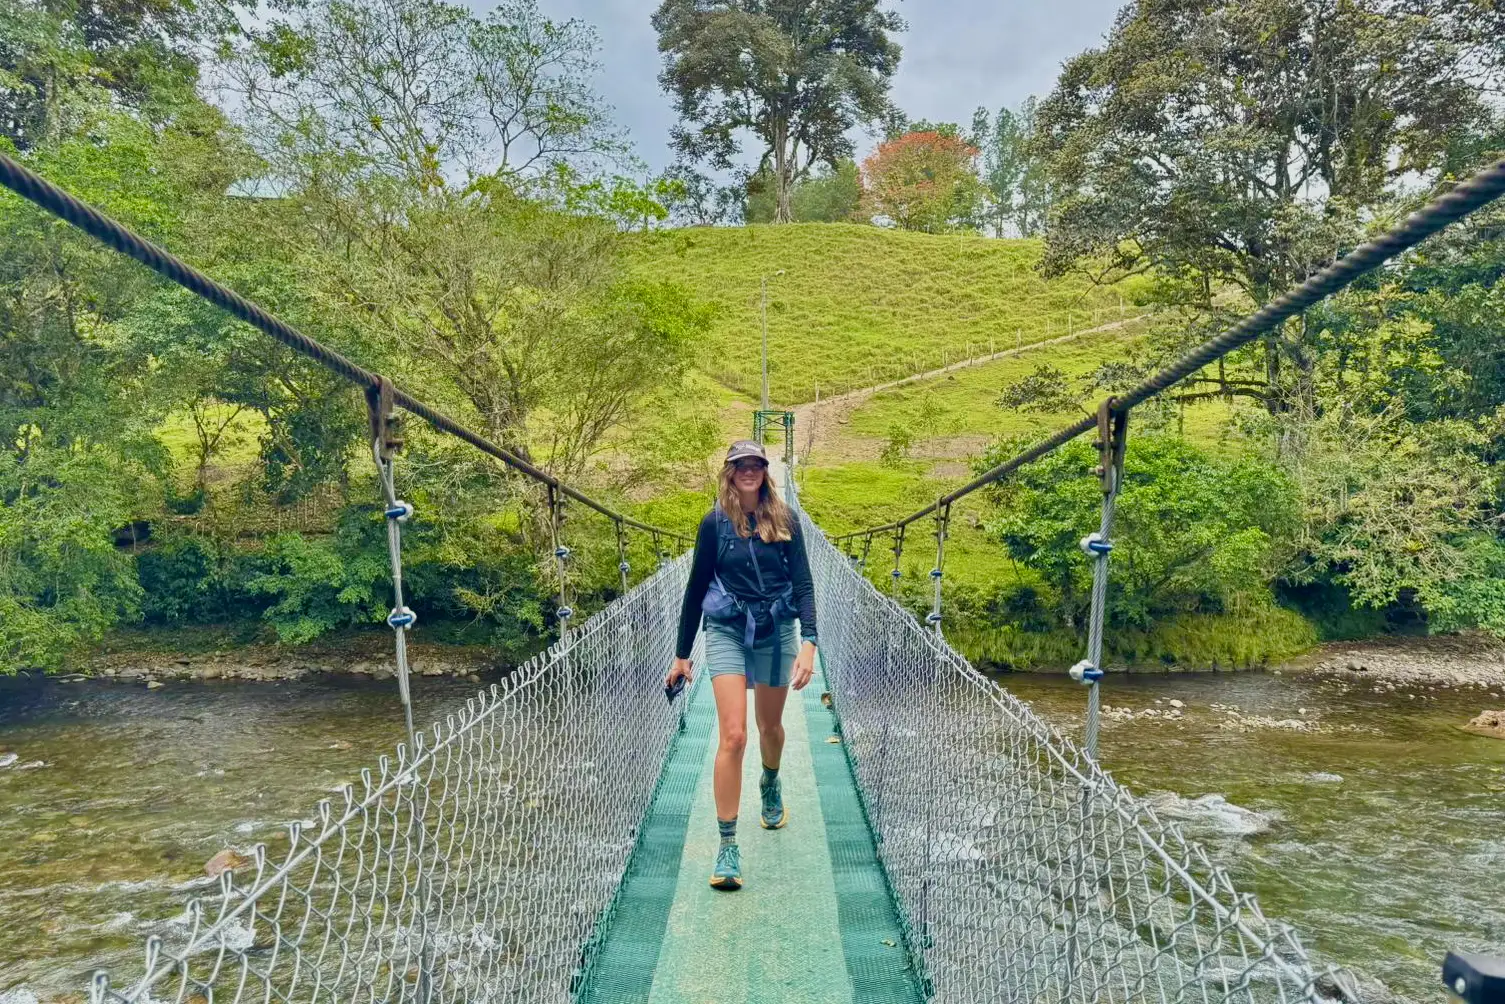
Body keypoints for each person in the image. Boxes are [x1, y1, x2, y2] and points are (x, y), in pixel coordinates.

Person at [666, 439, 818, 891]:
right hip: (728, 629)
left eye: (755, 464)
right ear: (729, 472)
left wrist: (810, 642)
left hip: (776, 629)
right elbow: (695, 591)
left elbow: (805, 584)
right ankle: (727, 845)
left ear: (765, 471)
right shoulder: (713, 524)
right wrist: (681, 654)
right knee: (734, 735)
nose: (748, 470)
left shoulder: (787, 519)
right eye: (740, 465)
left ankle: (769, 783)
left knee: (770, 728)